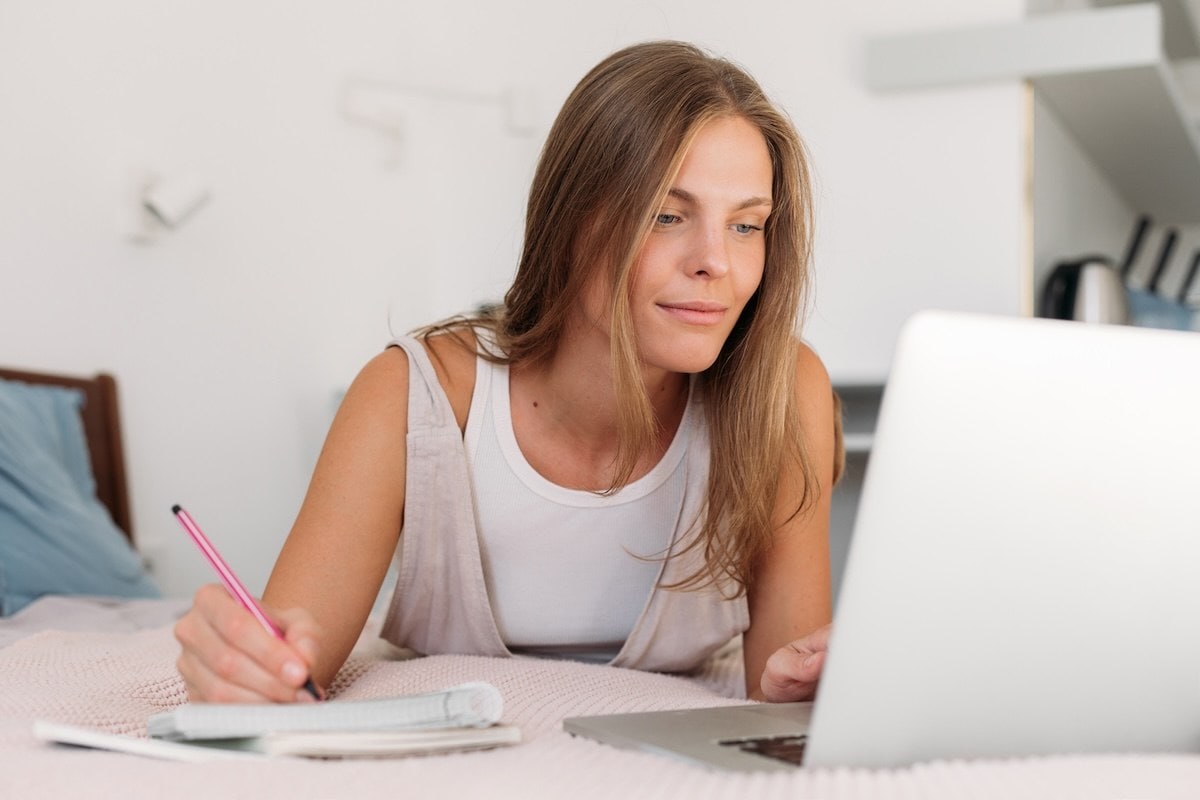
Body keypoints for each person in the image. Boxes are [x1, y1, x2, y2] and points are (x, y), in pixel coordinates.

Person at [174, 40, 842, 705]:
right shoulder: (414, 396)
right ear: (569, 219)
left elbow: (781, 690)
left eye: (747, 227)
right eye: (668, 216)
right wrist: (247, 668)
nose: (715, 263)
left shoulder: (782, 389)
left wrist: (824, 673)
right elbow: (293, 664)